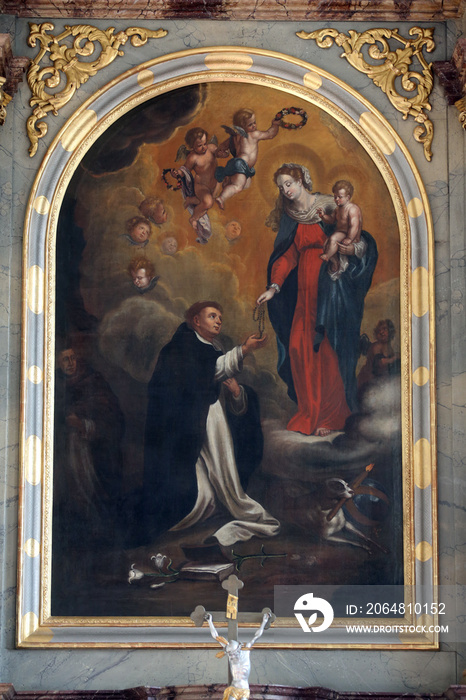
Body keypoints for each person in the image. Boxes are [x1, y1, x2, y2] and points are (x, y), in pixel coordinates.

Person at [142, 301, 280, 546]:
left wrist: (237, 394)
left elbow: (218, 384)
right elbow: (208, 373)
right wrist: (244, 349)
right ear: (196, 320)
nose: (218, 321)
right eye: (212, 316)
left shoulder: (210, 348)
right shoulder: (181, 346)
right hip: (189, 428)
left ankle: (216, 504)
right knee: (198, 495)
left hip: (210, 423)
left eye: (220, 318)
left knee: (218, 484)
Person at [256, 163, 377, 435]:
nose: (285, 190)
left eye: (289, 183)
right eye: (281, 186)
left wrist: (352, 248)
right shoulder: (290, 216)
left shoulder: (328, 207)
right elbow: (288, 256)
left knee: (326, 350)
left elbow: (357, 238)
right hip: (303, 293)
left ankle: (332, 416)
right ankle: (309, 412)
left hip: (329, 290)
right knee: (299, 348)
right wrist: (274, 287)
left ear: (301, 181)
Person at [53, 342, 125, 545]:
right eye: (65, 359)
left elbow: (113, 418)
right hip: (64, 454)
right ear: (57, 363)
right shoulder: (53, 386)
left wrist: (85, 425)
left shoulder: (94, 381)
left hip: (95, 450)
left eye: (73, 358)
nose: (71, 363)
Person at [215, 109, 281, 210]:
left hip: (239, 165)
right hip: (241, 164)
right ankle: (222, 198)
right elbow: (270, 134)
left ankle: (228, 180)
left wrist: (221, 153)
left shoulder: (233, 138)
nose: (254, 126)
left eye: (254, 122)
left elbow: (221, 148)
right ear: (241, 127)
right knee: (238, 186)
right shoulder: (253, 135)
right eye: (250, 124)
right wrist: (275, 125)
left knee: (247, 183)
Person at [204, 610, 272, 700]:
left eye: (233, 654)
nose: (231, 657)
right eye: (229, 655)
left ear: (239, 650)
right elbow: (216, 636)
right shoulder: (229, 651)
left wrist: (264, 622)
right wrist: (210, 622)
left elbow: (256, 636)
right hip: (233, 688)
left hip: (244, 689)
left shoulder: (246, 650)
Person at [172, 127, 228, 231]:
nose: (204, 147)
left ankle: (191, 200)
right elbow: (185, 170)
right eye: (199, 146)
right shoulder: (193, 157)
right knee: (207, 202)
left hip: (215, 185)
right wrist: (177, 173)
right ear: (192, 146)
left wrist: (222, 154)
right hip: (201, 186)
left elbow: (218, 153)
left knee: (206, 205)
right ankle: (193, 218)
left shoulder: (211, 148)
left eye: (205, 143)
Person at [317, 179, 363, 277]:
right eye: (335, 197)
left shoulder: (352, 209)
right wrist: (323, 216)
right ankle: (335, 261)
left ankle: (327, 256)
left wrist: (350, 238)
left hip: (349, 235)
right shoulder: (337, 209)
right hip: (340, 233)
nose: (337, 199)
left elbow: (354, 225)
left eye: (340, 197)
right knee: (326, 244)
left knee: (333, 239)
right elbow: (331, 220)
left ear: (348, 197)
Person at [357, 319, 400, 388]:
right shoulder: (377, 346)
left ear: (390, 331)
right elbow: (380, 363)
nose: (381, 332)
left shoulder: (389, 348)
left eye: (384, 329)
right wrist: (394, 358)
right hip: (369, 382)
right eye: (379, 330)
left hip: (380, 381)